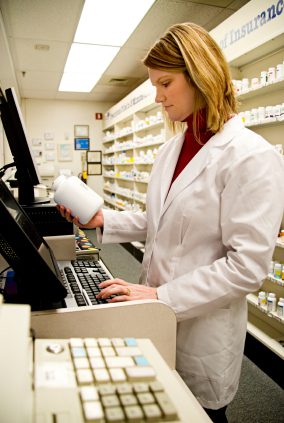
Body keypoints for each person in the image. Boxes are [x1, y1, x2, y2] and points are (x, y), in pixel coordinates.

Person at [58, 22, 284, 422]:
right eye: (154, 86)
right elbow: (157, 219)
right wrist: (100, 219)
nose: (158, 98)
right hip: (153, 316)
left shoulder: (251, 157)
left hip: (202, 332)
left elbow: (246, 267)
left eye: (165, 84)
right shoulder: (171, 149)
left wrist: (161, 297)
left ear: (201, 75)